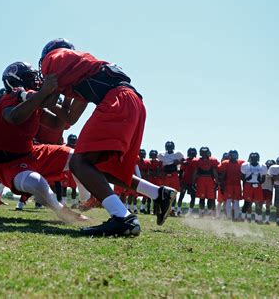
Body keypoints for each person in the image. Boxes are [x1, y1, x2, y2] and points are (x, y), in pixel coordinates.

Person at [39, 39, 176, 236]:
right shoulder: (81, 70)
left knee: (78, 162)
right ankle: (158, 194)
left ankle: (123, 217)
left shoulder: (55, 59)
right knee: (100, 167)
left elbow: (50, 98)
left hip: (118, 101)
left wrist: (36, 97)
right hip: (131, 102)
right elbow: (69, 118)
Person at [0, 61, 87, 223]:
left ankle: (85, 202)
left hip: (31, 153)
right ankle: (61, 211)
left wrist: (65, 92)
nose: (37, 81)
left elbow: (58, 124)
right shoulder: (8, 99)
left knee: (78, 157)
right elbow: (15, 117)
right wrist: (45, 91)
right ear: (17, 81)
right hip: (9, 164)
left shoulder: (34, 101)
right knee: (36, 182)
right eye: (31, 78)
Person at [158, 141, 184, 216]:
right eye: (168, 147)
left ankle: (172, 209)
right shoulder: (162, 155)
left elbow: (184, 162)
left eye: (170, 147)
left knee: (174, 193)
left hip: (174, 174)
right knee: (165, 193)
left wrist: (178, 162)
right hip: (166, 175)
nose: (169, 148)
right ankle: (165, 209)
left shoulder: (177, 154)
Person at [218, 150, 244, 220]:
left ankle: (235, 217)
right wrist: (222, 185)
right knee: (228, 201)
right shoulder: (225, 163)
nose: (233, 156)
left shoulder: (241, 163)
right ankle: (229, 216)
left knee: (236, 202)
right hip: (228, 185)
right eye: (232, 155)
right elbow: (222, 175)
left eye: (235, 155)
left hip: (237, 185)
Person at [193, 147, 219, 218]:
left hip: (206, 179)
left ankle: (206, 213)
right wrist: (217, 182)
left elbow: (214, 172)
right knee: (203, 198)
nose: (204, 154)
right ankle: (203, 213)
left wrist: (217, 182)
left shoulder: (212, 160)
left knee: (208, 198)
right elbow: (195, 172)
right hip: (205, 180)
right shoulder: (197, 161)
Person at [241, 152, 267, 224]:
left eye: (255, 158)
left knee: (258, 203)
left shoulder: (263, 166)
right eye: (252, 158)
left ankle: (258, 219)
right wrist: (247, 179)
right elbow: (242, 177)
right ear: (250, 158)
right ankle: (243, 218)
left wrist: (259, 180)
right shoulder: (245, 165)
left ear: (258, 159)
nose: (254, 160)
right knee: (247, 202)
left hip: (257, 185)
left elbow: (263, 179)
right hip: (248, 185)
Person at [180, 148, 197, 216]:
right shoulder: (185, 160)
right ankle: (178, 210)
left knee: (193, 197)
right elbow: (181, 171)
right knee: (181, 196)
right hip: (185, 181)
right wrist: (180, 181)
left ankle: (190, 212)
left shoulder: (196, 161)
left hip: (192, 182)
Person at [147, 150, 163, 215]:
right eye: (152, 155)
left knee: (156, 196)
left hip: (157, 180)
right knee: (148, 196)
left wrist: (154, 172)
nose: (153, 156)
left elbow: (159, 173)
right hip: (150, 180)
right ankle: (148, 209)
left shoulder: (159, 162)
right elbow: (149, 173)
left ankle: (156, 210)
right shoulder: (148, 162)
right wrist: (155, 172)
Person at [137, 149, 152, 214]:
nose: (142, 155)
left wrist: (148, 179)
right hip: (137, 179)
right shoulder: (136, 161)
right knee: (133, 194)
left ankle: (142, 208)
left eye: (143, 154)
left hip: (144, 179)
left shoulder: (147, 162)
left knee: (145, 195)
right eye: (141, 154)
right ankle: (130, 207)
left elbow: (148, 172)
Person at [261, 159, 276, 224]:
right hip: (262, 188)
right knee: (259, 204)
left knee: (268, 205)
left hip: (269, 189)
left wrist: (272, 177)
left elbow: (274, 182)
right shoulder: (262, 171)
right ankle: (259, 218)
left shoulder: (274, 172)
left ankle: (267, 220)